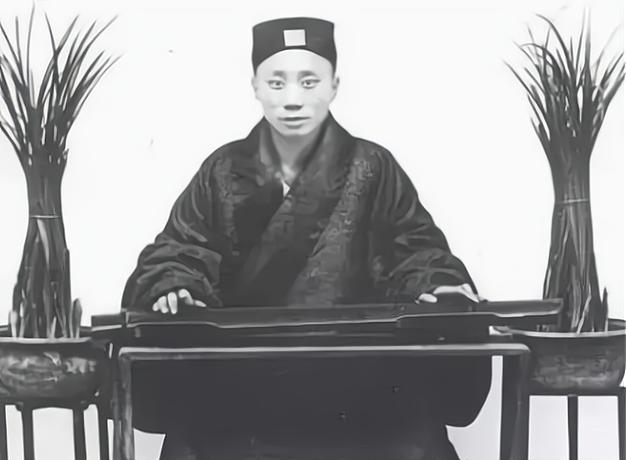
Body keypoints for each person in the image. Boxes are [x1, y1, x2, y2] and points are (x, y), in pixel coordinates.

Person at [122, 17, 491, 460]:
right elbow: (182, 247)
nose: (292, 99)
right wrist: (174, 284)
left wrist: (437, 284)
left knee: (418, 446)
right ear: (255, 86)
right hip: (242, 385)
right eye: (276, 83)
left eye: (309, 81)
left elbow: (414, 248)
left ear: (334, 85)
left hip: (361, 385)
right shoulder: (222, 170)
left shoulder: (373, 166)